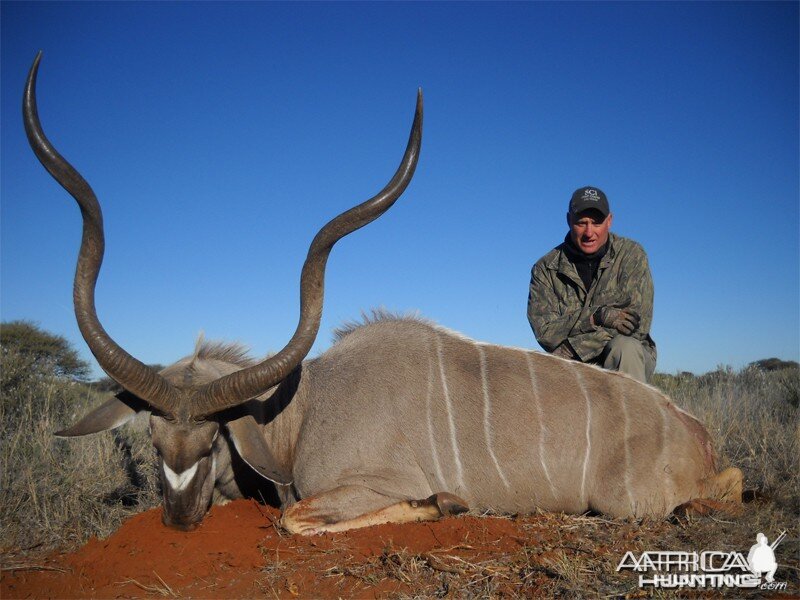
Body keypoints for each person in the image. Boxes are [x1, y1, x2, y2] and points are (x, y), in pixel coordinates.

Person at [527, 186, 656, 383]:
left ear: (609, 221)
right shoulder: (545, 268)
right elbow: (546, 333)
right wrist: (597, 317)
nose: (589, 232)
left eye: (596, 223)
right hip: (570, 366)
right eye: (581, 223)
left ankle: (631, 413)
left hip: (618, 358)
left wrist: (572, 349)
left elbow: (636, 326)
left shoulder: (631, 255)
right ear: (569, 220)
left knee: (625, 348)